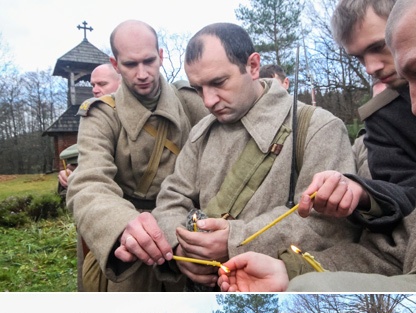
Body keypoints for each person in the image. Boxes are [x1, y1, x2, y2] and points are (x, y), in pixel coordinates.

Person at [217, 0, 416, 293]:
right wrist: (291, 270)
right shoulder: (399, 134)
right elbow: (401, 244)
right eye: (359, 57)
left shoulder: (319, 125)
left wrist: (306, 283)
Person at [113, 22, 355, 291]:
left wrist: (237, 240)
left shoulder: (317, 128)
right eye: (198, 88)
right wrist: (181, 247)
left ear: (252, 66)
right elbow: (171, 199)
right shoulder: (201, 132)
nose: (208, 101)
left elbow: (328, 225)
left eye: (218, 83)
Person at [66, 19, 207, 292]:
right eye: (130, 64)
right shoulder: (101, 114)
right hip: (127, 241)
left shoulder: (191, 101)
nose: (142, 73)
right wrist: (121, 225)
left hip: (182, 232)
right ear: (115, 64)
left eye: (149, 61)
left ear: (161, 56)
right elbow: (89, 182)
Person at [329, 0, 416, 232]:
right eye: (359, 57)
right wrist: (365, 194)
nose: (370, 68)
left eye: (378, 46)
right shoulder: (381, 117)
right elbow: (411, 196)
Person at [57, 64, 121, 191]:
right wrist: (70, 172)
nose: (95, 90)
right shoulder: (92, 116)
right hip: (102, 196)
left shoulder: (139, 113)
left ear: (121, 83)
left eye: (102, 84)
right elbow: (88, 158)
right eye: (93, 85)